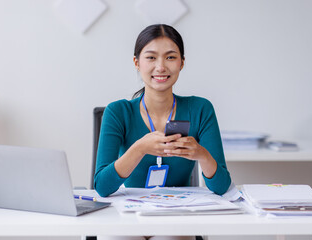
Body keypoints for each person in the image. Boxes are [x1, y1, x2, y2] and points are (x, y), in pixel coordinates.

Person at [94, 24, 231, 240]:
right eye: (151, 58)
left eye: (170, 57)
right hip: (126, 215)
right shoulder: (118, 112)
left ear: (182, 62)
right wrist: (139, 148)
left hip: (176, 217)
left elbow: (222, 186)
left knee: (171, 237)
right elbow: (102, 187)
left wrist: (202, 155)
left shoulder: (200, 109)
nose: (160, 67)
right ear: (137, 63)